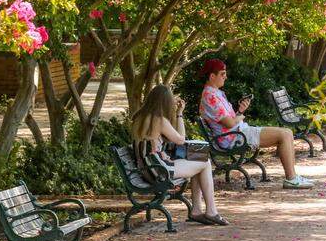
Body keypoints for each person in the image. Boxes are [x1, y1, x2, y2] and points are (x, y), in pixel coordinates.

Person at [198, 58, 315, 189]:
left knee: (286, 134)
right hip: (235, 137)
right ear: (212, 76)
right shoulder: (210, 96)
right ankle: (291, 178)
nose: (226, 76)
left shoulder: (216, 93)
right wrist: (240, 117)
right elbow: (230, 123)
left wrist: (240, 111)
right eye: (222, 74)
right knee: (285, 135)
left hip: (237, 133)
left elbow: (228, 121)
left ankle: (293, 176)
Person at [131, 84, 229, 225]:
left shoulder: (139, 117)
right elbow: (181, 140)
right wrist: (179, 113)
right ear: (165, 102)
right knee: (205, 162)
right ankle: (211, 211)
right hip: (158, 170)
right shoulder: (159, 120)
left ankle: (197, 210)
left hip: (147, 168)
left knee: (198, 162)